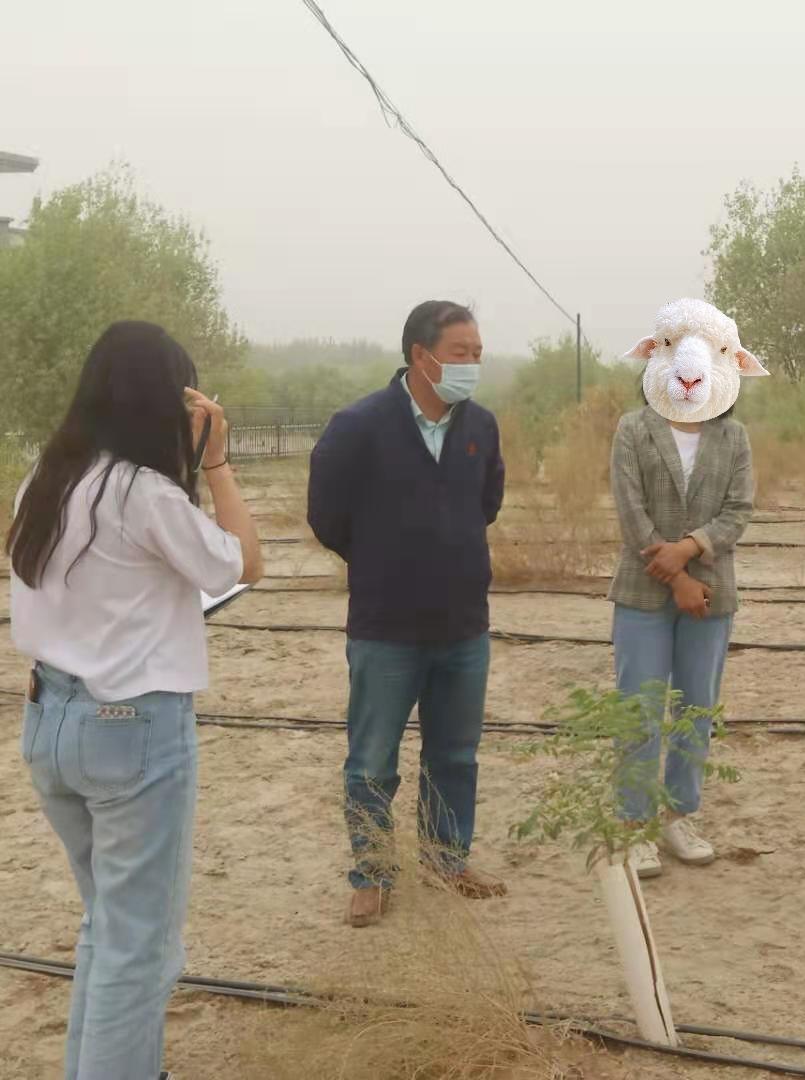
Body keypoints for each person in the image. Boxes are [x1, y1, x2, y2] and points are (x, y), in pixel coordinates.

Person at [8, 321, 263, 1080]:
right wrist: (215, 461)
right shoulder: (142, 493)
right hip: (130, 731)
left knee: (109, 930)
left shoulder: (45, 481)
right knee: (140, 947)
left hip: (50, 722)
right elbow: (245, 561)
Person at [307, 300, 505, 928]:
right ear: (421, 357)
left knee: (455, 754)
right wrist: (383, 561)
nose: (472, 364)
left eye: (477, 353)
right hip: (386, 628)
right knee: (372, 760)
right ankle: (371, 873)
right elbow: (326, 516)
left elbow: (487, 503)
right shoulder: (358, 425)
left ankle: (446, 861)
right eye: (460, 352)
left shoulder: (481, 427)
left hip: (462, 626)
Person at [609, 298, 764, 877]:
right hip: (645, 592)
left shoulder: (734, 437)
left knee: (696, 708)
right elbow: (632, 515)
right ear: (657, 355)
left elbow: (739, 510)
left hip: (712, 597)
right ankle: (632, 824)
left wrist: (691, 550)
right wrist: (676, 576)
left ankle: (678, 816)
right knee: (641, 709)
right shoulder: (633, 431)